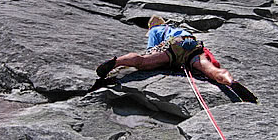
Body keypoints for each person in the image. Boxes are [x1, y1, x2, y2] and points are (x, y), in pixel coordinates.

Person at [96, 15, 234, 86]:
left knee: (142, 62)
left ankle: (116, 62)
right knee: (209, 70)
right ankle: (229, 81)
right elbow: (191, 39)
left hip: (173, 47)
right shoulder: (177, 29)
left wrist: (151, 57)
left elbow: (151, 49)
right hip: (191, 46)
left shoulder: (154, 30)